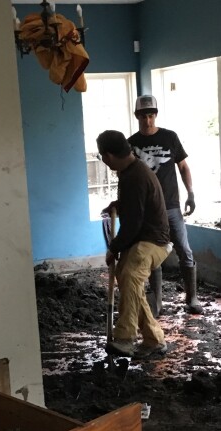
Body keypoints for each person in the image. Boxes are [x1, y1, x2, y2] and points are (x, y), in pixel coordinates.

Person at [98, 130, 171, 359]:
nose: (104, 161)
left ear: (108, 155)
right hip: (143, 237)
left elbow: (133, 225)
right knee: (129, 283)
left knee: (129, 274)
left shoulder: (135, 176)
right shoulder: (130, 171)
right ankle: (153, 339)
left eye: (103, 156)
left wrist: (114, 248)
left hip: (153, 241)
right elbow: (136, 204)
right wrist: (118, 204)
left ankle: (125, 338)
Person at [128, 94, 203, 316]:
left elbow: (183, 167)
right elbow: (129, 177)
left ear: (156, 115)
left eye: (151, 115)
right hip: (147, 210)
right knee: (152, 254)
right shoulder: (131, 143)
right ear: (136, 116)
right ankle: (157, 302)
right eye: (143, 116)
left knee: (184, 250)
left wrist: (190, 193)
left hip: (171, 205)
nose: (147, 120)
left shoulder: (170, 137)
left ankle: (192, 298)